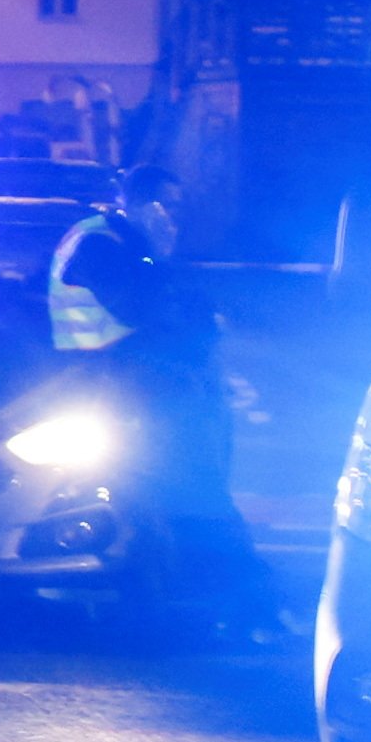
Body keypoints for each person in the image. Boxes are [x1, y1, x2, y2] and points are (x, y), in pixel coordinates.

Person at [48, 166, 279, 645]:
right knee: (172, 501)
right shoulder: (101, 245)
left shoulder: (136, 248)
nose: (173, 217)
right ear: (141, 204)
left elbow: (186, 314)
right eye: (165, 206)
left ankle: (220, 607)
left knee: (179, 500)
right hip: (121, 396)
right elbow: (147, 311)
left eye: (177, 207)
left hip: (153, 396)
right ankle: (233, 607)